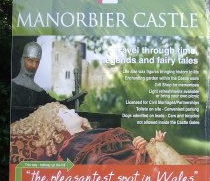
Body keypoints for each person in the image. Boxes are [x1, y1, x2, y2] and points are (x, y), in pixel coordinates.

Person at [10, 102, 190, 165]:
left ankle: (156, 154)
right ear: (57, 125)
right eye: (65, 112)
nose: (72, 109)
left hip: (139, 157)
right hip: (131, 167)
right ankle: (156, 158)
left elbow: (126, 145)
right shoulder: (73, 147)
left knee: (157, 146)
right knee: (160, 151)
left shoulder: (96, 133)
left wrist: (139, 144)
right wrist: (140, 156)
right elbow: (101, 163)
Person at [11, 41, 87, 117]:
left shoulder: (39, 92)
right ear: (22, 60)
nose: (34, 66)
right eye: (30, 61)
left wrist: (71, 102)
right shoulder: (11, 86)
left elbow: (57, 106)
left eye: (37, 62)